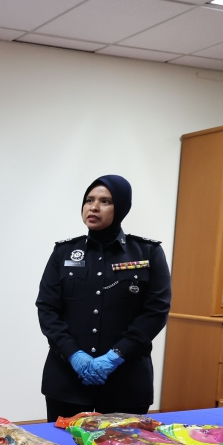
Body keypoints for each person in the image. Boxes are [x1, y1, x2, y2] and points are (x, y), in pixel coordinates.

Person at [36, 174, 170, 422]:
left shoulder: (148, 252)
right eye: (89, 200)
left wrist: (115, 357)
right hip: (67, 379)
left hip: (126, 379)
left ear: (121, 207)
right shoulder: (64, 252)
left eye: (105, 201)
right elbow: (47, 309)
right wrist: (74, 355)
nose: (93, 207)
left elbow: (155, 312)